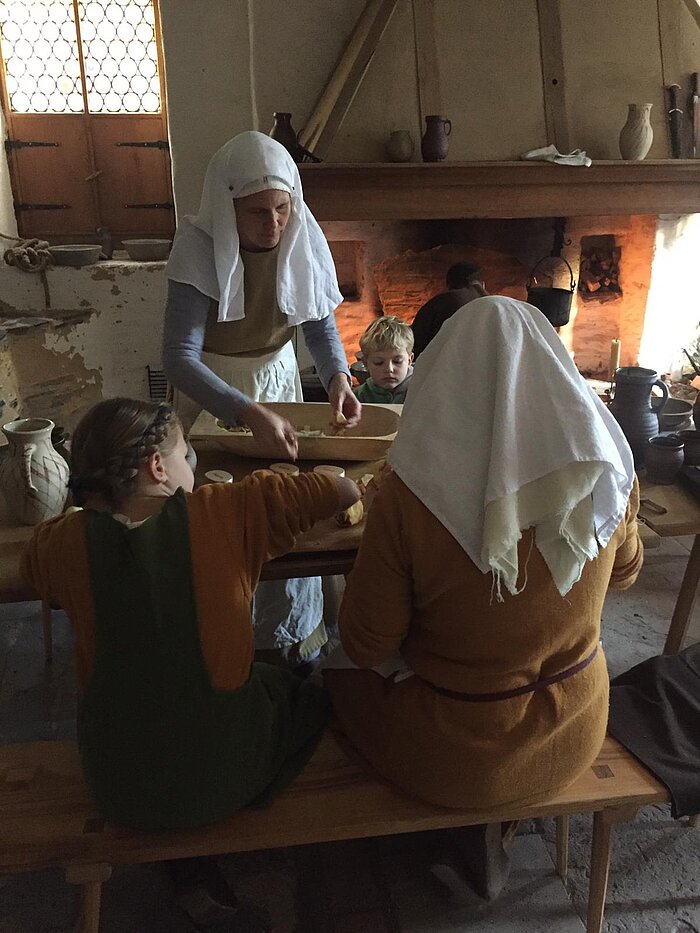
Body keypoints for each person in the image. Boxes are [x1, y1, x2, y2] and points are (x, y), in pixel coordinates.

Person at [325, 295, 642, 896]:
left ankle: (463, 833)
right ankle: (498, 831)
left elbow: (366, 643)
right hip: (577, 725)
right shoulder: (605, 465)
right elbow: (624, 573)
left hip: (455, 749)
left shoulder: (409, 494)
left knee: (334, 683)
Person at [21, 397, 361, 931]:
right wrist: (337, 481)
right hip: (224, 773)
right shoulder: (226, 509)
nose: (191, 469)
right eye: (185, 457)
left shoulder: (62, 543)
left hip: (117, 782)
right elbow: (342, 492)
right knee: (300, 691)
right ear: (158, 467)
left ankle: (189, 873)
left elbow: (35, 567)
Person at [163, 130, 361, 667]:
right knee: (225, 517)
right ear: (228, 208)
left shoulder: (301, 234)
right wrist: (246, 412)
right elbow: (179, 357)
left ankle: (287, 642)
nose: (273, 223)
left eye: (281, 208)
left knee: (285, 511)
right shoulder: (197, 246)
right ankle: (226, 644)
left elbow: (318, 324)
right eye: (256, 212)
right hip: (212, 390)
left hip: (277, 381)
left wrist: (338, 378)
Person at [410, 261, 486, 359]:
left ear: (449, 285)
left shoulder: (440, 302)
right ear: (483, 284)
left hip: (446, 364)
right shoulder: (499, 305)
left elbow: (414, 343)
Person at [353, 316, 414, 404]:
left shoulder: (422, 390)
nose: (389, 369)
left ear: (409, 360)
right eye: (379, 363)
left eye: (397, 361)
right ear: (365, 363)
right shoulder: (359, 397)